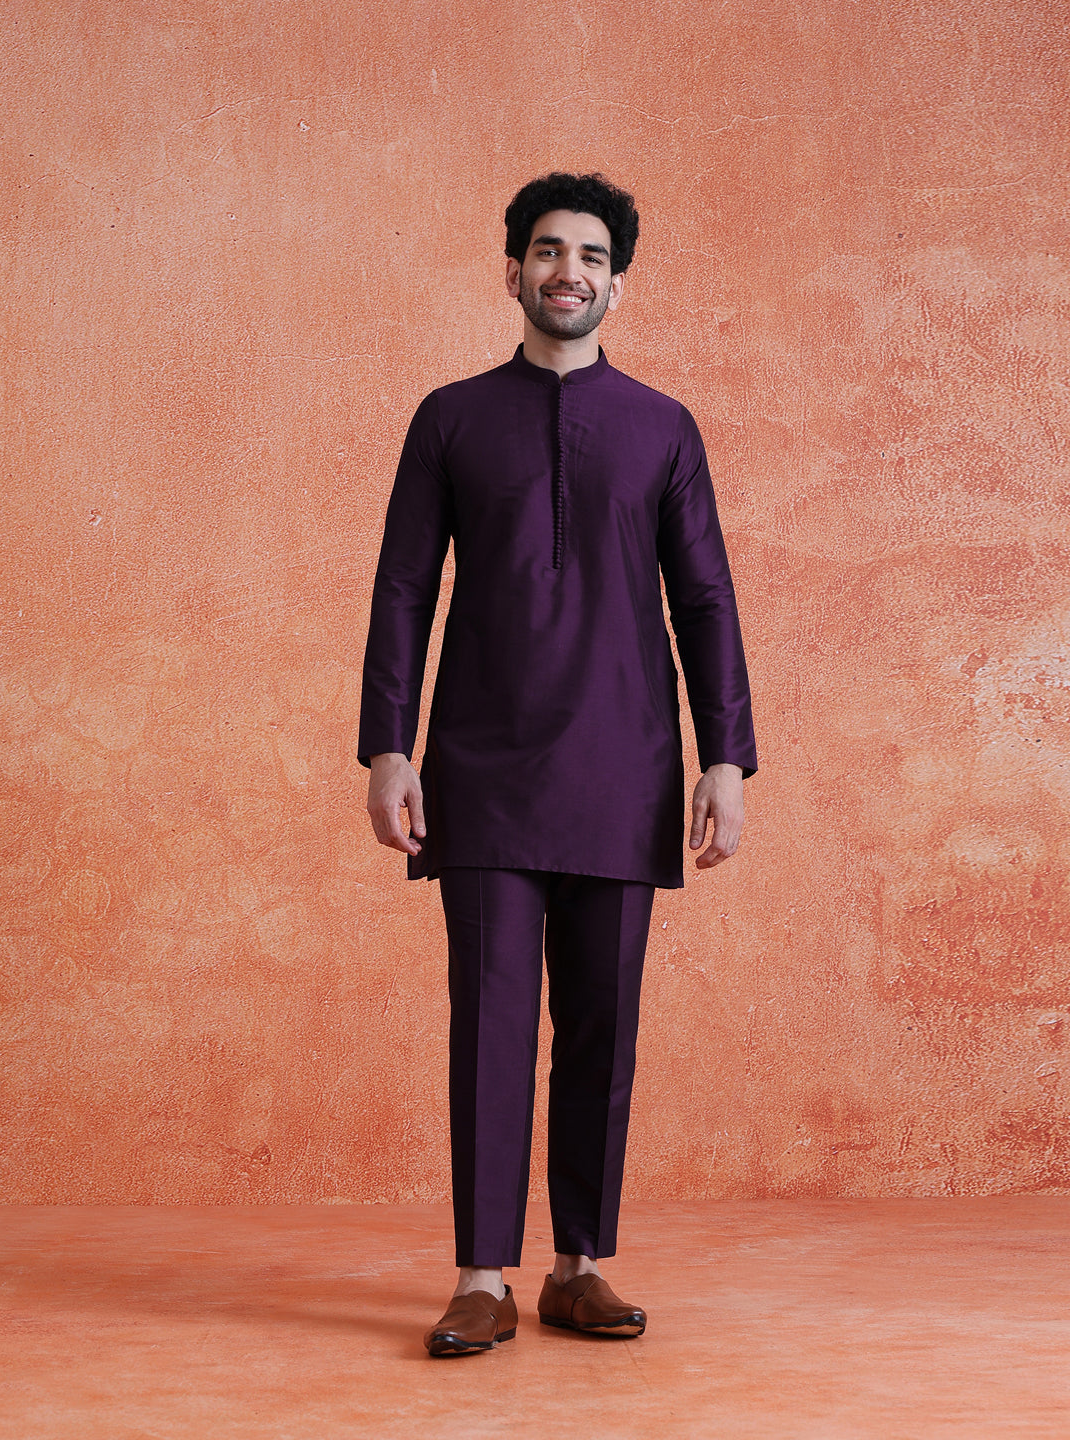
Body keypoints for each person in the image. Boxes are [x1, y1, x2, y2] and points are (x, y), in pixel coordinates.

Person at [358, 172, 757, 1357]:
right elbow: (403, 588)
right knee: (489, 1023)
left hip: (627, 765)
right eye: (545, 250)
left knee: (601, 1025)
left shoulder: (664, 427)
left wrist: (726, 759)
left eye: (589, 255)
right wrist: (389, 746)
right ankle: (482, 1276)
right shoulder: (450, 419)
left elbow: (705, 597)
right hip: (480, 767)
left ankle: (580, 1266)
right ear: (514, 270)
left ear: (616, 284)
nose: (566, 271)